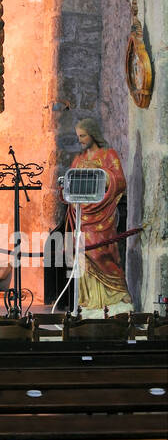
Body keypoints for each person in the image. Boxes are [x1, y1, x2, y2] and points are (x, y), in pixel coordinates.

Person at [66, 117, 133, 317]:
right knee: (84, 256)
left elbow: (119, 180)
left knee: (104, 253)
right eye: (79, 136)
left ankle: (116, 295)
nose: (81, 140)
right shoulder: (79, 159)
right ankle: (89, 302)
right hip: (83, 216)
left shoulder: (108, 155)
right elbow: (71, 183)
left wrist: (102, 176)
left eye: (83, 135)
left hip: (103, 217)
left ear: (93, 134)